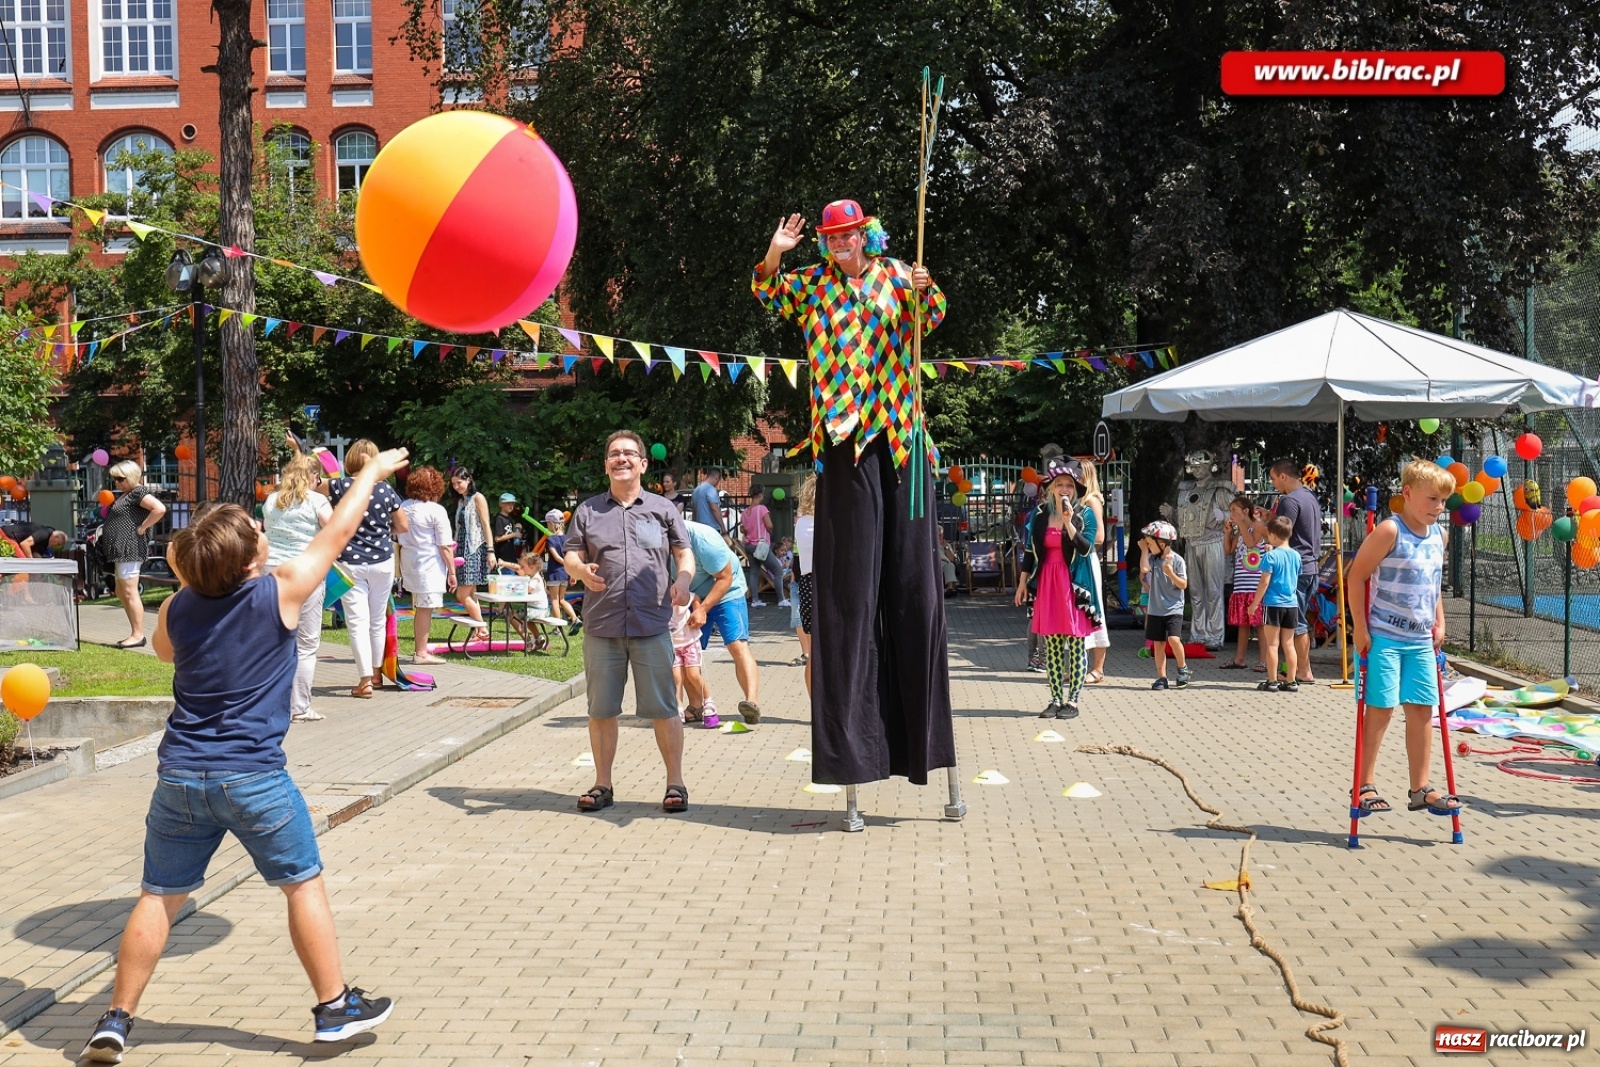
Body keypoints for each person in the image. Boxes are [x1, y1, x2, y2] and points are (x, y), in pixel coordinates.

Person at [78, 449, 408, 1064]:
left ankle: (116, 1020)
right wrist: (370, 472)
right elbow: (338, 530)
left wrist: (190, 581)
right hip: (254, 777)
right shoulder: (278, 592)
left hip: (179, 775)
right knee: (302, 886)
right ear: (252, 557)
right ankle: (334, 1008)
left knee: (157, 896)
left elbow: (164, 655)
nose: (263, 529)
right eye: (256, 531)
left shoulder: (178, 607)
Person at [753, 200, 956, 801]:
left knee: (913, 585)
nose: (841, 244)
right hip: (843, 439)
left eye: (849, 235)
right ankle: (853, 745)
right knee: (850, 590)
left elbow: (934, 316)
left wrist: (926, 287)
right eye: (831, 238)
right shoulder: (812, 283)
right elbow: (767, 293)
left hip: (900, 433)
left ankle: (922, 740)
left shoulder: (896, 274)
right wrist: (774, 253)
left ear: (866, 234)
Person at [564, 429, 694, 813]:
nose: (621, 458)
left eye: (628, 453)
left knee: (665, 708)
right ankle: (603, 785)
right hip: (602, 625)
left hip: (651, 623)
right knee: (601, 710)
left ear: (642, 463)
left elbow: (684, 555)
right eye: (614, 454)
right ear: (606, 465)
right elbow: (570, 556)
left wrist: (683, 580)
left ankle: (675, 784)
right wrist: (581, 571)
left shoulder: (662, 508)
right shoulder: (588, 510)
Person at [1347, 459, 1457, 817]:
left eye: (1443, 502)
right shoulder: (1389, 531)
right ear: (1407, 494)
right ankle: (1364, 783)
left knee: (1422, 711)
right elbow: (1356, 576)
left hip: (1421, 640)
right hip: (1385, 637)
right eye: (1432, 499)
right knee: (1380, 710)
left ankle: (1420, 787)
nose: (1438, 508)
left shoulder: (1440, 536)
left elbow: (1433, 584)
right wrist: (1360, 628)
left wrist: (1439, 620)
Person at [1015, 458, 1102, 719]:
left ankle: (1072, 701)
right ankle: (1054, 698)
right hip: (1048, 582)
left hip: (1074, 583)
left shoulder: (1085, 513)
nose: (1064, 489)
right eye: (1059, 484)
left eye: (1069, 485)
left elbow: (1087, 548)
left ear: (1076, 490)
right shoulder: (1039, 515)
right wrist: (1022, 582)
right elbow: (1030, 550)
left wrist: (1068, 522)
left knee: (1075, 644)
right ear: (1051, 488)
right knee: (1052, 644)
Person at [326, 439, 412, 698]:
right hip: (382, 561)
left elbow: (310, 487)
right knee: (377, 620)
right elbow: (403, 526)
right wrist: (384, 533)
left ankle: (364, 680)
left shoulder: (338, 487)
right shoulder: (385, 490)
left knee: (357, 623)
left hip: (350, 562)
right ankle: (376, 673)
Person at [262, 454, 333, 722]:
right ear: (314, 477)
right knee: (306, 643)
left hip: (272, 570)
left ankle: (272, 702)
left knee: (276, 639)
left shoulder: (272, 499)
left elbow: (269, 529)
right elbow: (335, 528)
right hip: (305, 570)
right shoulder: (317, 501)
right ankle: (299, 706)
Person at [681, 517, 764, 722]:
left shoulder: (703, 539)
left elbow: (725, 577)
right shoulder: (657, 543)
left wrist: (704, 609)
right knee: (686, 651)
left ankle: (751, 703)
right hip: (693, 595)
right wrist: (695, 605)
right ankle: (696, 705)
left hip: (728, 590)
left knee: (737, 644)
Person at [102, 459, 168, 649]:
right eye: (115, 479)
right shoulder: (127, 494)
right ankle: (134, 632)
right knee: (121, 591)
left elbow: (159, 508)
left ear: (131, 477)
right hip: (121, 549)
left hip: (129, 548)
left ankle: (137, 634)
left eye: (120, 478)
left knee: (129, 591)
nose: (117, 483)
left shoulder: (138, 492)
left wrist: (142, 528)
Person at [1270, 458, 1323, 684]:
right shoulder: (1310, 497)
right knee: (1300, 618)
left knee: (1296, 621)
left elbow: (1281, 536)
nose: (1273, 484)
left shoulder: (1289, 500)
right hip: (1311, 567)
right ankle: (1304, 669)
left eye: (1273, 479)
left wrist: (1256, 523)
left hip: (1296, 569)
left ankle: (1303, 671)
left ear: (1283, 476)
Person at [397, 466, 455, 665]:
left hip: (408, 561)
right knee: (425, 608)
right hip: (429, 564)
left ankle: (420, 651)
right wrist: (452, 572)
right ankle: (421, 653)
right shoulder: (436, 510)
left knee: (420, 606)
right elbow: (445, 545)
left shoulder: (403, 506)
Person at [1248, 516, 1303, 694]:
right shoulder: (1296, 556)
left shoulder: (1270, 556)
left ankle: (1272, 680)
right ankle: (1292, 681)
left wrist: (1254, 604)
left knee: (1272, 644)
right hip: (1292, 604)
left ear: (1272, 535)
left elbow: (1264, 582)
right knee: (1289, 644)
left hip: (1273, 604)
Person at [1139, 520, 1189, 691]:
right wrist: (1144, 550)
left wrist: (1170, 573)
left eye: (1150, 543)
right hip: (1155, 609)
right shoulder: (1152, 559)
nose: (1148, 546)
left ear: (1161, 544)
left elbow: (1183, 585)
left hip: (1173, 608)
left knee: (1174, 639)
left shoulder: (1177, 561)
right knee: (1158, 644)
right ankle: (1162, 677)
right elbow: (1144, 569)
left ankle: (1183, 669)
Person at [1222, 495, 1267, 672]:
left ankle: (1264, 660)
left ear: (1245, 511)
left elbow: (1251, 543)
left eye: (1234, 510)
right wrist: (1227, 533)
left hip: (1256, 584)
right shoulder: (1240, 531)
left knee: (1260, 624)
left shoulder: (1257, 527)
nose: (1231, 513)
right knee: (1243, 623)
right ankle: (1239, 659)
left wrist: (1240, 523)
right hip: (1241, 583)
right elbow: (1229, 550)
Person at [1078, 459, 1111, 683]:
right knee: (1081, 610)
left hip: (1087, 559)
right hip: (1078, 560)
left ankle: (1098, 668)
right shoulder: (1079, 500)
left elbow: (1099, 536)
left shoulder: (1091, 500)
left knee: (1093, 608)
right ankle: (1081, 665)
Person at [449, 468, 494, 630]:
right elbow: (459, 528)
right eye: (453, 484)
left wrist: (490, 551)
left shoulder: (478, 498)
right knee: (471, 594)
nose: (456, 486)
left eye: (459, 482)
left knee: (462, 594)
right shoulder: (462, 501)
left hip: (474, 550)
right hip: (462, 550)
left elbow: (485, 525)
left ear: (468, 480)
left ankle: (482, 629)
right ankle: (478, 630)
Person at [670, 599, 717, 728]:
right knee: (676, 678)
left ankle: (709, 702)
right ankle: (677, 707)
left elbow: (694, 597)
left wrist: (698, 609)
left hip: (689, 642)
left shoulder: (682, 593)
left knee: (693, 675)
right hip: (672, 644)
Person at [791, 474, 816, 689]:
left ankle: (815, 707)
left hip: (806, 584)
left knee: (815, 653)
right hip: (824, 585)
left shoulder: (801, 523)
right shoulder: (826, 521)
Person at [739, 485, 784, 607]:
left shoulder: (745, 512)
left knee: (754, 571)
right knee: (778, 571)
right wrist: (769, 531)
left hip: (749, 545)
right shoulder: (762, 509)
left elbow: (742, 529)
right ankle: (781, 599)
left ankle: (755, 600)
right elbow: (769, 525)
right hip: (761, 545)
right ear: (760, 495)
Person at [506, 548, 552, 652]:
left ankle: (528, 640)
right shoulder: (533, 575)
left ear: (532, 567)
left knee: (512, 615)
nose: (522, 568)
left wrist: (514, 589)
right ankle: (539, 638)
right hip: (539, 609)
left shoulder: (535, 578)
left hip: (539, 610)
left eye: (523, 566)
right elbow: (518, 570)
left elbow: (528, 589)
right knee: (526, 618)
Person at [542, 508, 580, 628]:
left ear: (552, 524)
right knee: (562, 599)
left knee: (554, 599)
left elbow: (557, 558)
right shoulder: (568, 538)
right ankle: (575, 619)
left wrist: (566, 564)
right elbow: (572, 556)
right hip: (565, 573)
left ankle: (557, 629)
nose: (547, 526)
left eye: (548, 523)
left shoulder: (550, 539)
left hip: (554, 573)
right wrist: (572, 572)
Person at [491, 492, 526, 563]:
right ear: (501, 504)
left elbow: (509, 532)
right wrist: (514, 534)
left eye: (512, 503)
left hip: (511, 555)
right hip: (503, 557)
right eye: (508, 503)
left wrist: (517, 528)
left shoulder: (509, 519)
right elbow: (497, 538)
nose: (511, 506)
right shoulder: (499, 518)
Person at [1, 521, 66, 557]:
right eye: (58, 543)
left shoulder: (45, 543)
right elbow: (25, 544)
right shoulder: (45, 533)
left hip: (12, 537)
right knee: (23, 563)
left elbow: (37, 555)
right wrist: (31, 562)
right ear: (56, 537)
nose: (57, 545)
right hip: (8, 535)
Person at [691, 467, 724, 532]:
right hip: (711, 528)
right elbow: (714, 509)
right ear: (716, 478)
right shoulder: (711, 489)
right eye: (718, 481)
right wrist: (722, 527)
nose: (717, 483)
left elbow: (694, 511)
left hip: (699, 527)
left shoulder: (696, 490)